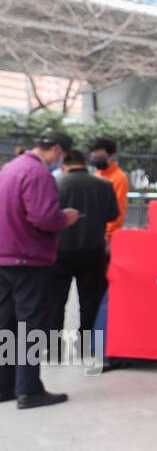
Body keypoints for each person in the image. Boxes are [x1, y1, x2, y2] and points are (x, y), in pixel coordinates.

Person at [0, 130, 80, 408]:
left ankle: (5, 386)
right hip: (29, 259)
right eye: (63, 155)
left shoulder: (10, 168)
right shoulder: (37, 174)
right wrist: (66, 217)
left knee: (6, 324)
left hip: (4, 257)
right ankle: (30, 390)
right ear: (57, 149)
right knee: (32, 325)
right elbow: (43, 217)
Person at [47, 149, 119, 361]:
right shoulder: (104, 185)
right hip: (93, 251)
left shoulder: (55, 184)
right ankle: (85, 345)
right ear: (84, 163)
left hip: (59, 251)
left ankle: (53, 348)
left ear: (64, 164)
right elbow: (113, 215)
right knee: (90, 300)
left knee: (55, 301)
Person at [88, 138, 128, 246]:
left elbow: (118, 210)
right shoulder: (97, 175)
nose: (96, 160)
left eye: (100, 157)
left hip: (107, 237)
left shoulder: (119, 178)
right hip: (94, 234)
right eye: (94, 156)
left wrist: (106, 234)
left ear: (112, 155)